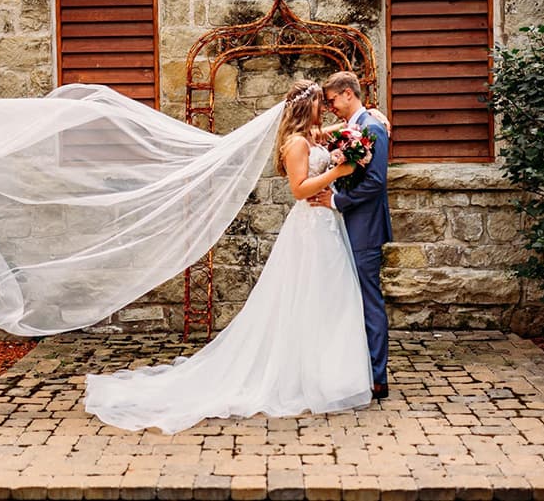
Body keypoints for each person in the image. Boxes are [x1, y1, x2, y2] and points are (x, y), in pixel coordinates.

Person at [84, 80, 375, 433]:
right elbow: (299, 190)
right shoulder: (296, 144)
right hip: (311, 226)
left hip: (327, 226)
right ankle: (305, 377)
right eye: (318, 103)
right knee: (309, 298)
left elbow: (334, 131)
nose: (324, 109)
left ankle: (327, 374)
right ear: (306, 107)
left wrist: (367, 119)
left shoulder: (311, 136)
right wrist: (337, 172)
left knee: (329, 300)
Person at [310, 71, 392, 399]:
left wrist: (336, 200)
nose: (332, 108)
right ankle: (359, 370)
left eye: (332, 101)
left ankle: (377, 378)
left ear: (347, 93)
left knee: (369, 300)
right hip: (350, 225)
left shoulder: (372, 129)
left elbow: (375, 182)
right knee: (354, 298)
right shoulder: (360, 125)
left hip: (365, 227)